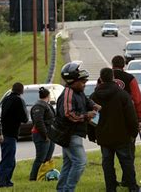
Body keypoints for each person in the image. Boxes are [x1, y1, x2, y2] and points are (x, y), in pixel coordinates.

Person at [90, 68, 140, 192]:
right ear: (113, 78)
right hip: (122, 135)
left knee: (107, 164)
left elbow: (90, 117)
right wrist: (134, 132)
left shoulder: (94, 96)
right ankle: (132, 187)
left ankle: (110, 188)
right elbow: (131, 116)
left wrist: (92, 135)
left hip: (103, 135)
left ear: (100, 79)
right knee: (127, 163)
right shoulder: (123, 95)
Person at [56, 61, 101, 192]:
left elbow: (86, 100)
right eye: (82, 82)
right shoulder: (68, 93)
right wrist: (86, 116)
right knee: (80, 162)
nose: (84, 84)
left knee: (68, 164)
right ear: (72, 81)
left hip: (75, 133)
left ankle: (61, 189)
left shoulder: (77, 91)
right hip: (70, 134)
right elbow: (68, 114)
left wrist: (94, 105)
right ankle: (68, 189)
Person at [111, 55, 141, 187]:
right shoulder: (130, 79)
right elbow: (137, 99)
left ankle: (111, 182)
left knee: (108, 156)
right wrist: (139, 118)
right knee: (129, 152)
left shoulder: (104, 78)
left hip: (109, 120)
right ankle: (127, 180)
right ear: (124, 65)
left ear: (112, 64)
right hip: (127, 120)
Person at [0, 82, 28, 187]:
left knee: (9, 159)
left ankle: (7, 181)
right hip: (11, 133)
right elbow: (25, 118)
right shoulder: (18, 100)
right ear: (21, 90)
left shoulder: (6, 99)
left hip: (4, 132)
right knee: (8, 160)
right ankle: (1, 182)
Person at [29, 87, 56, 181]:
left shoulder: (47, 105)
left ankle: (44, 176)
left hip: (50, 134)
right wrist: (45, 135)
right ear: (48, 96)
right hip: (41, 135)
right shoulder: (39, 106)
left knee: (47, 158)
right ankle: (33, 178)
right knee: (40, 158)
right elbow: (39, 122)